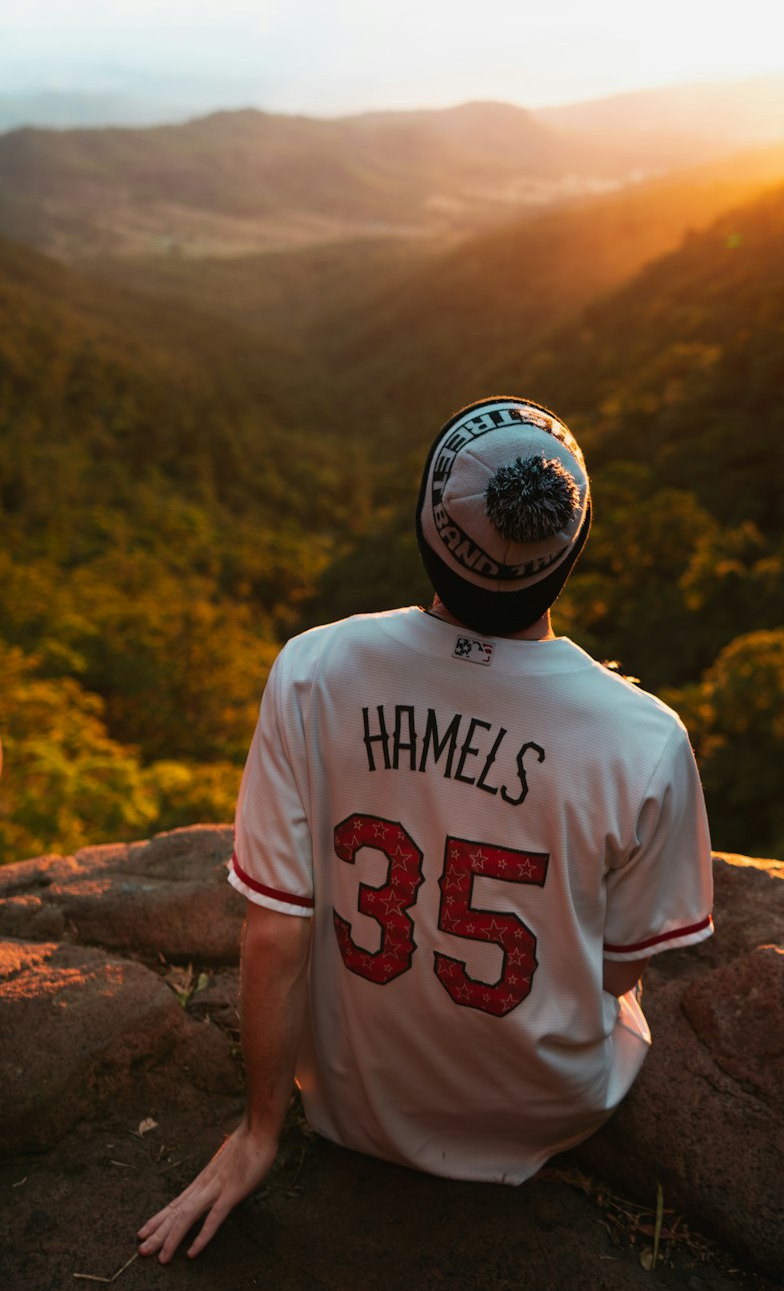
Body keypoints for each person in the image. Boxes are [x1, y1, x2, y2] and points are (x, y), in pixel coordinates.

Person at [138, 395, 713, 1263]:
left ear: (425, 528)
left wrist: (260, 1130)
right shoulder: (642, 738)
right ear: (571, 554)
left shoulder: (314, 671)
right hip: (544, 1113)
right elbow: (617, 967)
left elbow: (273, 936)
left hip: (344, 1100)